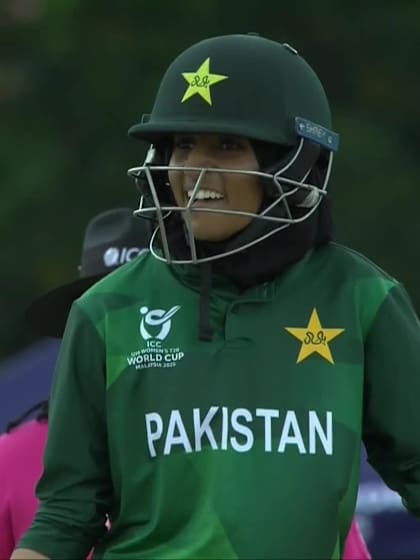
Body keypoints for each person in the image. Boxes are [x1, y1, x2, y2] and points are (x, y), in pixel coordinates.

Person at [12, 32, 419, 560]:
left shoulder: (363, 300)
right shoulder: (105, 311)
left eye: (227, 145)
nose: (194, 171)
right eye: (183, 144)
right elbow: (66, 516)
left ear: (290, 164)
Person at [1, 208, 150, 559]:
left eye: (146, 313)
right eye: (103, 313)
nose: (122, 333)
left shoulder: (236, 442)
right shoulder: (7, 460)